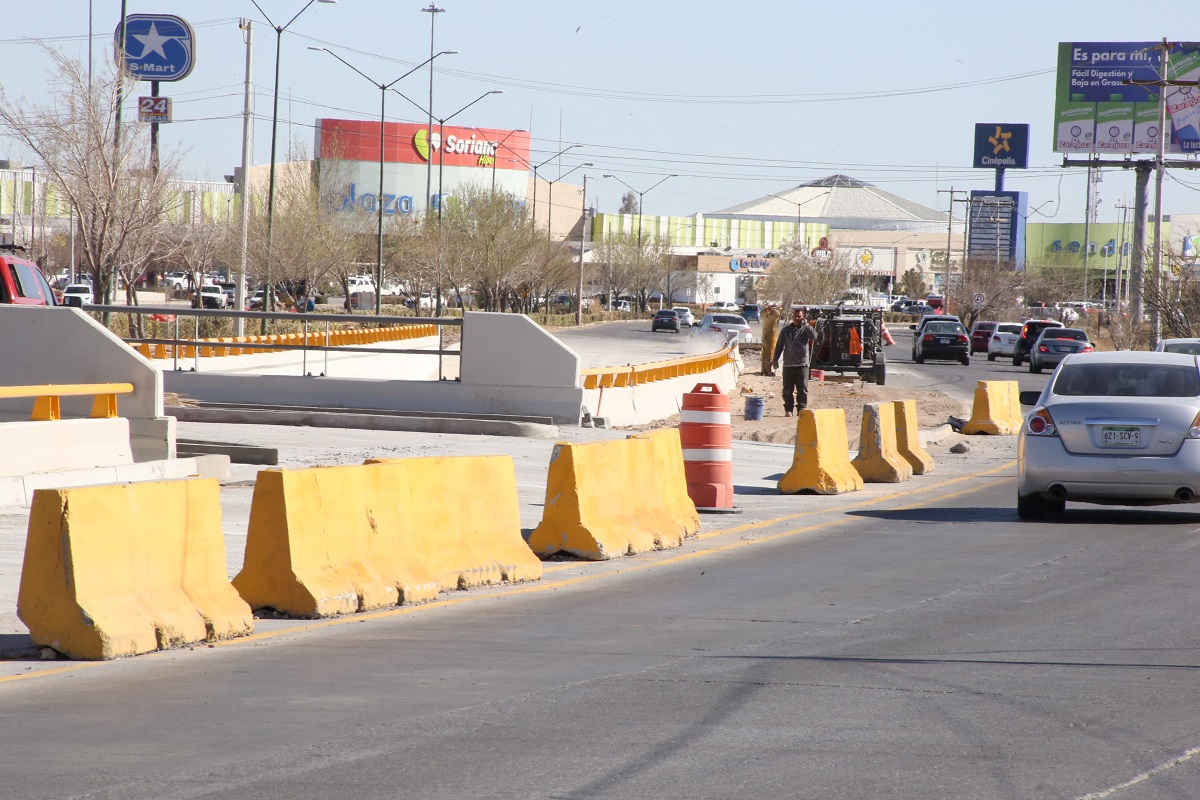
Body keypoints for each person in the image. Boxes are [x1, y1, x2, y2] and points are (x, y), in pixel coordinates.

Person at [771, 306, 818, 417]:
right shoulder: (786, 330)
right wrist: (775, 360)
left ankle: (801, 409)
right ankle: (788, 409)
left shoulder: (805, 329)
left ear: (803, 317)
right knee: (787, 389)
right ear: (792, 317)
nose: (797, 318)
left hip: (802, 364)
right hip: (788, 365)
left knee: (802, 389)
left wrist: (806, 325)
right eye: (795, 316)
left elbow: (815, 337)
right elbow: (779, 346)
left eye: (799, 316)